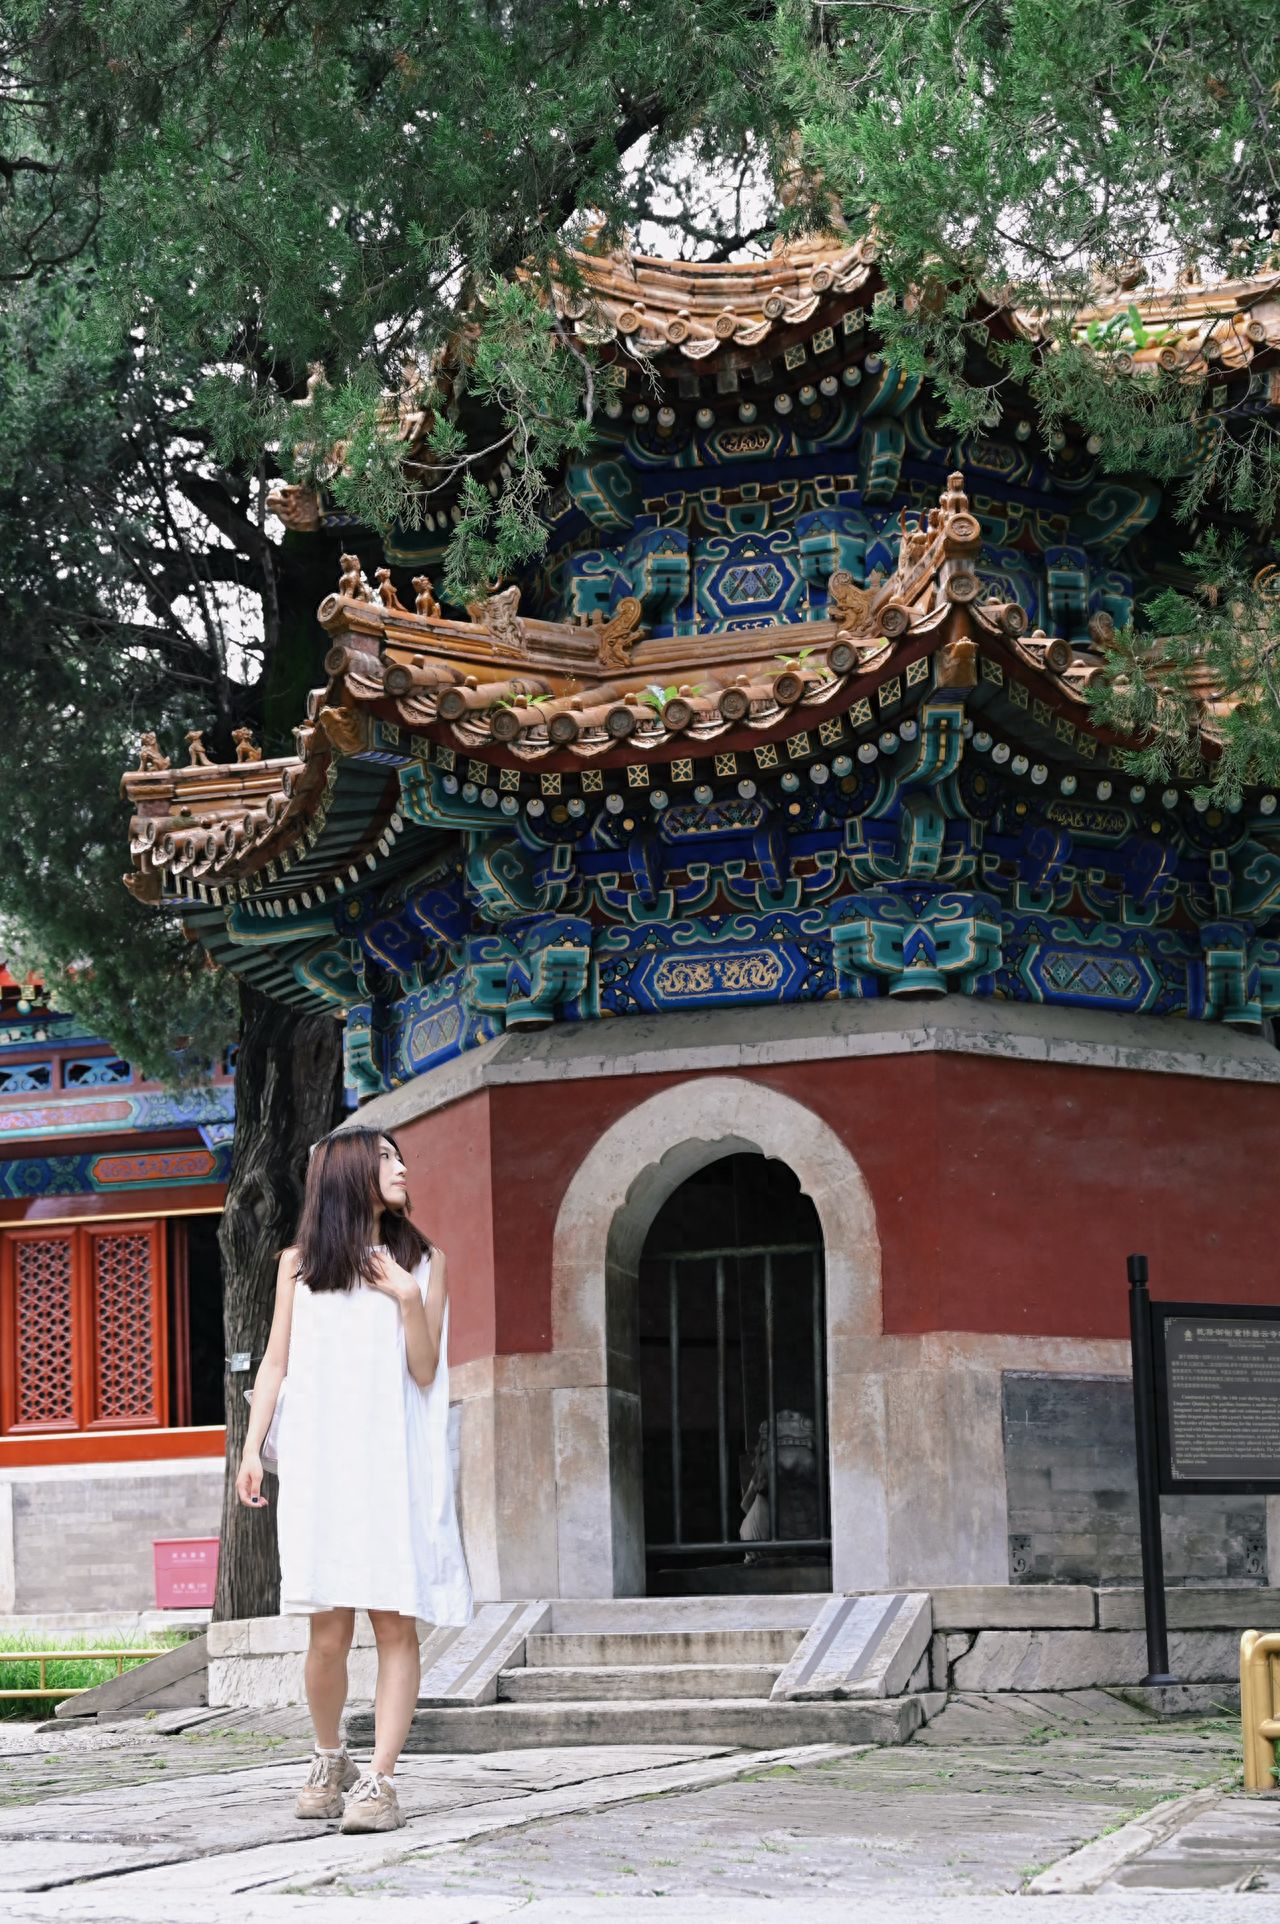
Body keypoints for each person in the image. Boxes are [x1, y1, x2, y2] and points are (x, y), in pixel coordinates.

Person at [236, 1127, 472, 1833]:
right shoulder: (297, 1267)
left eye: (401, 1159)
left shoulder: (424, 1263)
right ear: (348, 1176)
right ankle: (328, 1755)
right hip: (321, 1467)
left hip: (389, 1466)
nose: (403, 1169)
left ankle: (381, 1781)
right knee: (327, 1633)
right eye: (387, 1160)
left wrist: (405, 1297)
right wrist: (252, 1451)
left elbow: (426, 1372)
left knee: (396, 1623)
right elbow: (275, 1363)